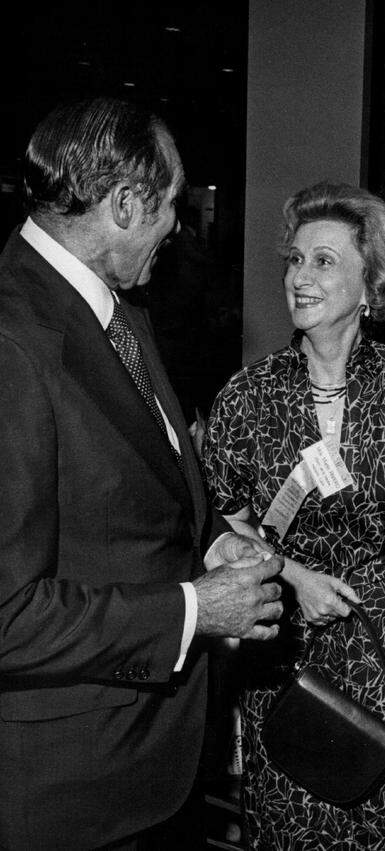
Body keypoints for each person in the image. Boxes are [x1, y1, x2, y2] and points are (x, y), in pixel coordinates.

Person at [0, 97, 284, 849]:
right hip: (72, 788)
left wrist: (213, 539)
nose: (178, 226)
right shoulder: (13, 342)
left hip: (143, 763)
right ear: (126, 203)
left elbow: (133, 499)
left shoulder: (116, 310)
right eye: (170, 205)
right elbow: (8, 614)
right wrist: (196, 608)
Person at [203, 182, 385, 848]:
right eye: (295, 260)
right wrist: (294, 573)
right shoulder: (249, 394)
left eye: (323, 261)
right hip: (290, 628)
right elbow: (224, 514)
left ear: (371, 284)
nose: (300, 276)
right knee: (293, 792)